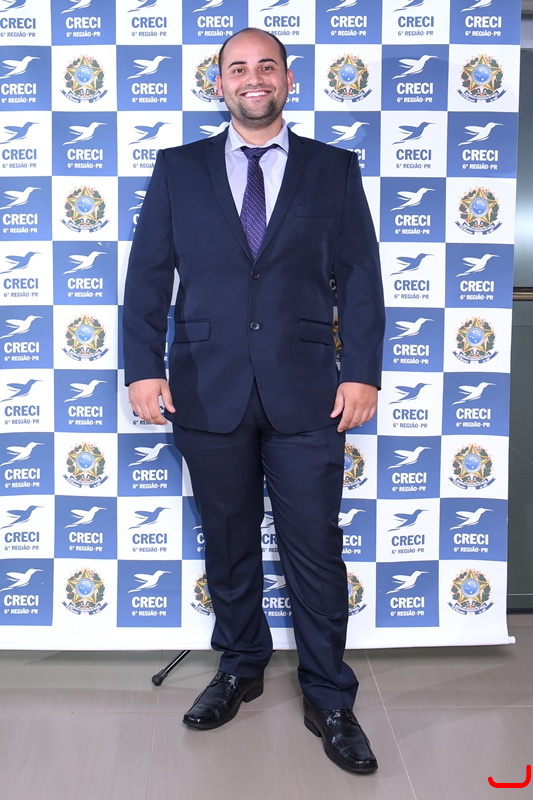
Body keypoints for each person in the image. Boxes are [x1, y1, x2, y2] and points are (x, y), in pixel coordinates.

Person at [123, 27, 385, 775]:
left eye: (266, 65)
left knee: (315, 549)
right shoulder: (178, 168)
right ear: (220, 85)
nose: (253, 78)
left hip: (308, 392)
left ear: (289, 79)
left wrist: (362, 373)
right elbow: (149, 276)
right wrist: (141, 369)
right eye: (237, 68)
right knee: (228, 543)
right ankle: (240, 666)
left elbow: (359, 278)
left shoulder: (333, 169)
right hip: (206, 387)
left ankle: (330, 697)